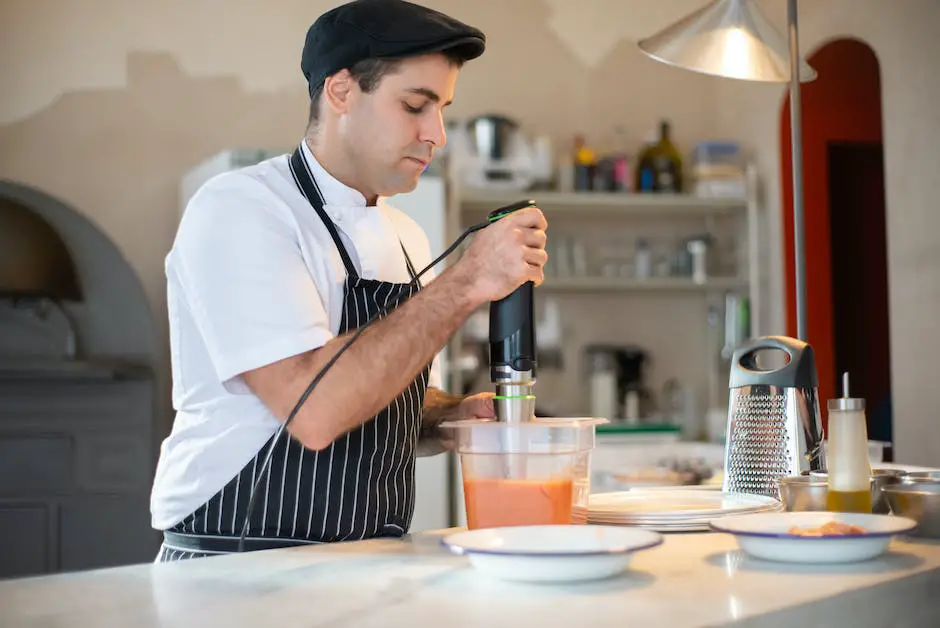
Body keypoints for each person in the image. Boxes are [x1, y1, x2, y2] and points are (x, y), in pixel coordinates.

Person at [150, 0, 548, 561]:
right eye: (415, 105)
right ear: (340, 92)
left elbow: (379, 392)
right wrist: (465, 283)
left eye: (443, 109)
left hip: (367, 559)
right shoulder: (242, 210)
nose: (436, 134)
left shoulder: (407, 235)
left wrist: (447, 416)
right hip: (237, 566)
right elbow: (314, 412)